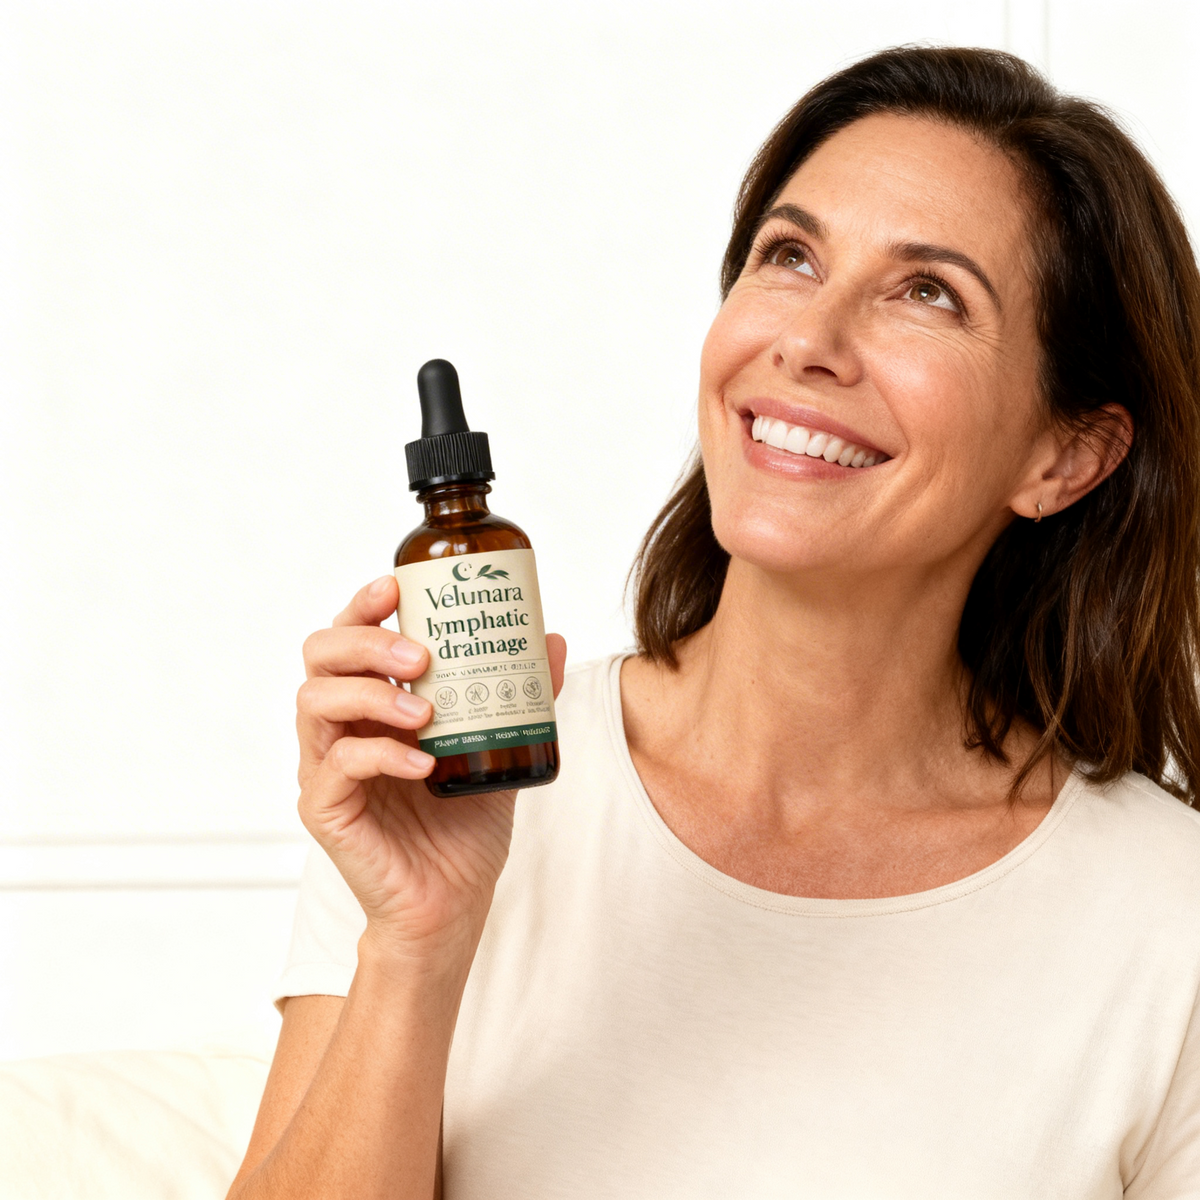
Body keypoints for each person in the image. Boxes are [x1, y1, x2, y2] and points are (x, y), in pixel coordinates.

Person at [228, 45, 1200, 1199]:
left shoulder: (1163, 918)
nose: (808, 340)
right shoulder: (452, 789)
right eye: (790, 257)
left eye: (927, 292)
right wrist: (415, 949)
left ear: (1064, 455)